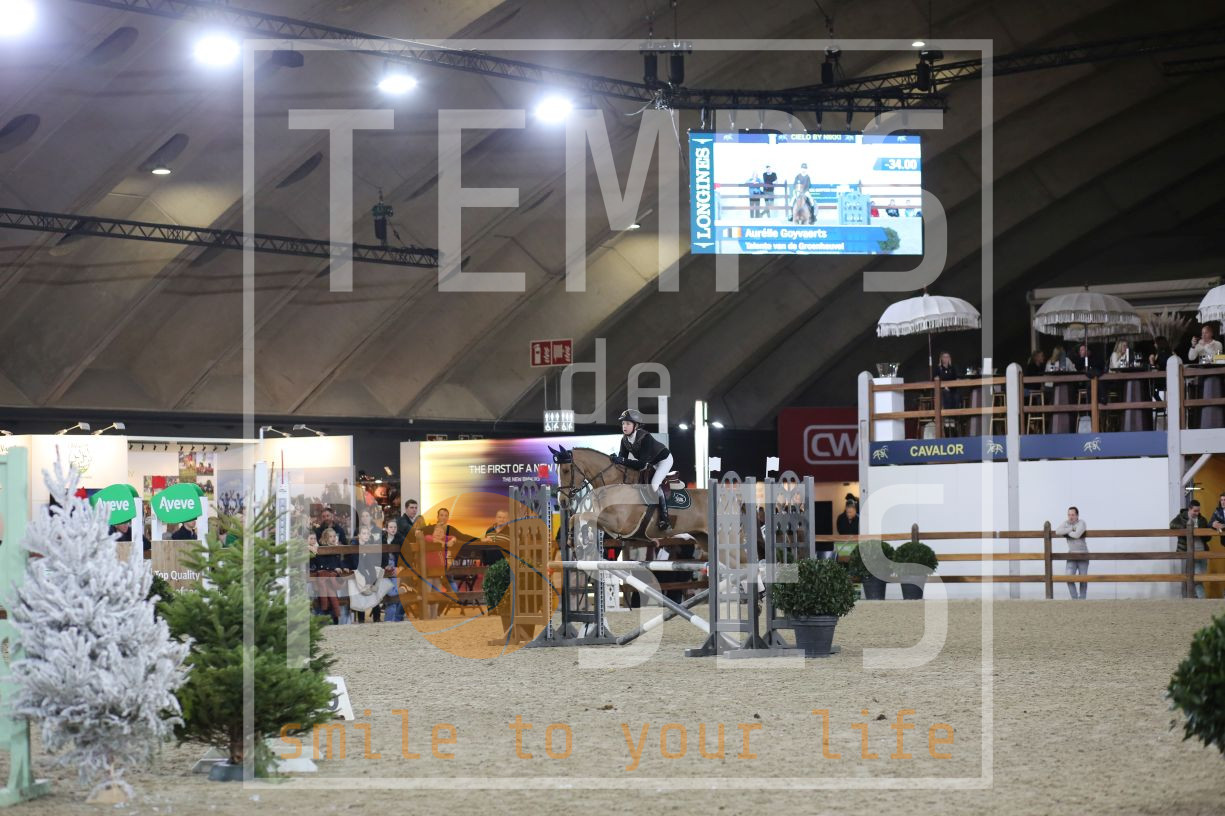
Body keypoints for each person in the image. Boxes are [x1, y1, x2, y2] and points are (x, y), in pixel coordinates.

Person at [609, 408, 674, 531]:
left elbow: (642, 464)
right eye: (623, 423)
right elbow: (623, 461)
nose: (624, 426)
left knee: (654, 485)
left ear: (636, 425)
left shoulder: (645, 438)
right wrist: (615, 460)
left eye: (628, 423)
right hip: (652, 463)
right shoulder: (624, 440)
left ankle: (665, 520)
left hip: (664, 460)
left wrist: (621, 460)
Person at [1171, 500, 1211, 599]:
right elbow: (1172, 525)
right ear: (1189, 509)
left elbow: (1208, 538)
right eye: (1195, 511)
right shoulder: (1181, 517)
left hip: (1203, 551)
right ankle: (1202, 599)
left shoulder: (1202, 519)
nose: (1197, 513)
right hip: (1189, 551)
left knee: (1201, 576)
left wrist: (1203, 533)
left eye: (1198, 511)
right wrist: (1187, 529)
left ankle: (1194, 597)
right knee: (1197, 577)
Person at [1055, 506, 1088, 600]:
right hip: (1071, 554)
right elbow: (1057, 532)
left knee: (1083, 579)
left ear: (1077, 515)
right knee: (1068, 577)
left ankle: (1082, 599)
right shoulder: (1066, 523)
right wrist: (1072, 529)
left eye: (1073, 515)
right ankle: (1075, 599)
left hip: (1083, 554)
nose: (1071, 517)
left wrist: (1066, 533)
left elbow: (1077, 535)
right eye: (1069, 515)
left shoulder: (1082, 523)